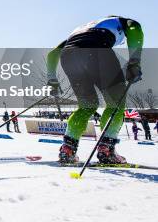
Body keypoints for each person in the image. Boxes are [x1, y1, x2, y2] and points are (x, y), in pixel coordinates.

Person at [47, 16, 143, 164]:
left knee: (87, 106)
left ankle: (68, 148)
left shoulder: (82, 29)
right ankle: (106, 149)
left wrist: (52, 79)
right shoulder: (122, 21)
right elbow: (134, 28)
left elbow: (53, 53)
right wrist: (134, 63)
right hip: (98, 49)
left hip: (69, 55)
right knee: (115, 102)